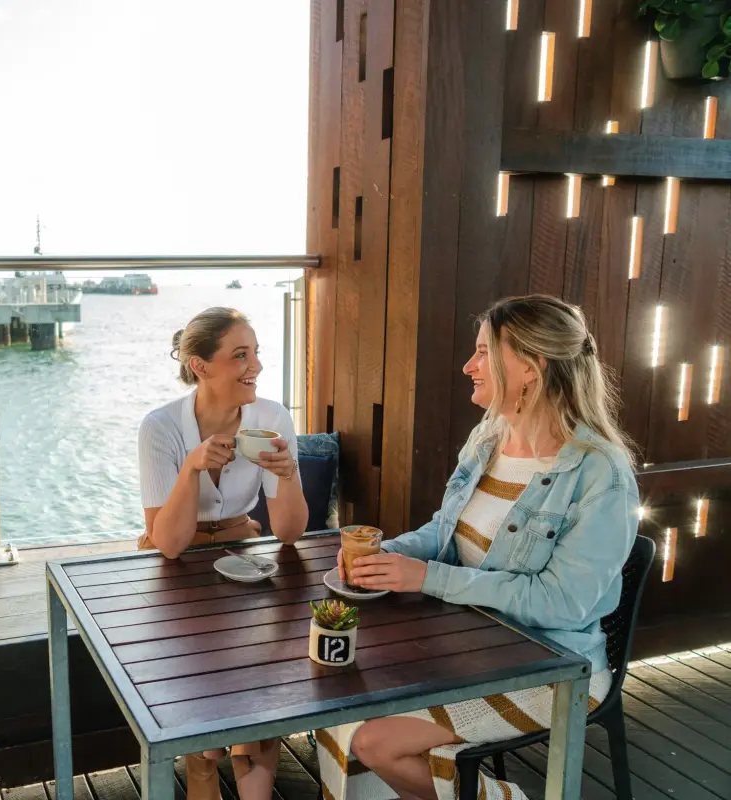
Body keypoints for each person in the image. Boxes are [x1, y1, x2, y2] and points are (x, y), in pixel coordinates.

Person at [316, 295, 639, 800]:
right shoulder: (489, 437)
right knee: (337, 700)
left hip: (553, 668)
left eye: (484, 352)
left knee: (374, 741)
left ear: (530, 368)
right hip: (470, 645)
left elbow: (563, 602)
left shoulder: (601, 473)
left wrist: (427, 579)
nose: (469, 366)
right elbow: (447, 530)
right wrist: (387, 555)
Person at [138, 307, 309, 800]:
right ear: (200, 366)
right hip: (178, 564)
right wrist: (192, 467)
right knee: (195, 666)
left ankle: (249, 764)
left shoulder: (272, 417)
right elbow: (167, 543)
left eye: (255, 353)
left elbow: (291, 533)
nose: (254, 365)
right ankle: (204, 761)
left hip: (246, 556)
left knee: (265, 662)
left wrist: (288, 473)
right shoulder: (161, 428)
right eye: (240, 355)